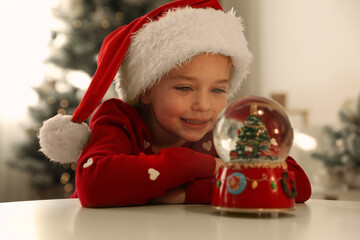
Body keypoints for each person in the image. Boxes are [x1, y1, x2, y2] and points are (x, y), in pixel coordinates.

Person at [39, 0, 311, 207]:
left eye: (218, 89)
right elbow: (94, 186)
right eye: (184, 88)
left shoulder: (223, 131)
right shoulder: (118, 120)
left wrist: (186, 195)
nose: (203, 105)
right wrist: (200, 166)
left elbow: (295, 184)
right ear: (145, 89)